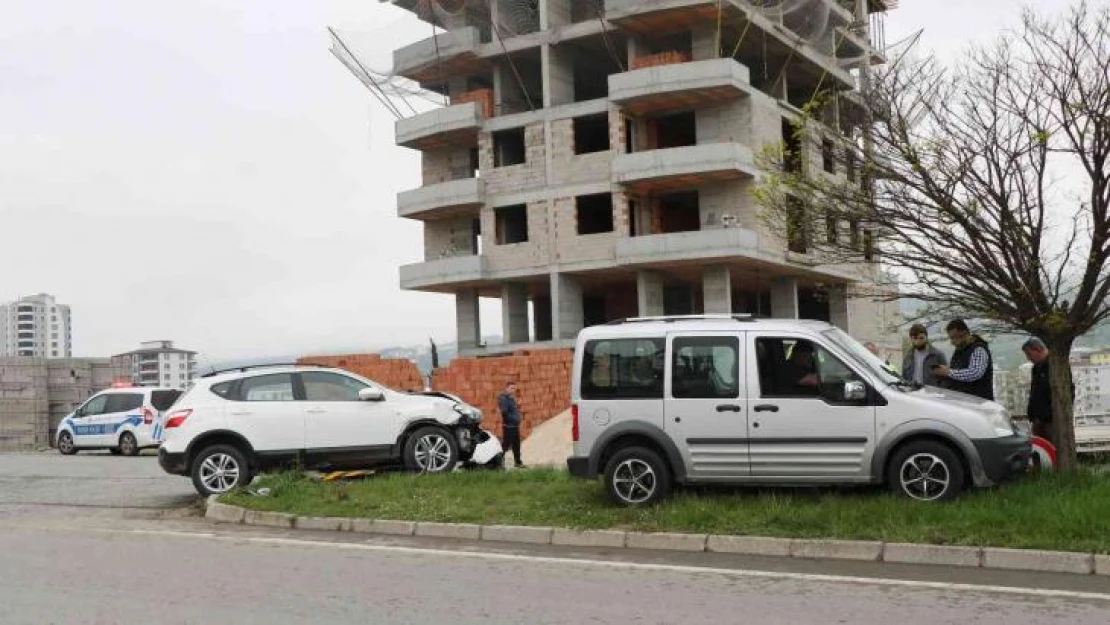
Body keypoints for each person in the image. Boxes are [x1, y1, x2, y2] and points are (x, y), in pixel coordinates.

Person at [934, 319, 995, 400]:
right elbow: (957, 373)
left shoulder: (978, 349)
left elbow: (974, 373)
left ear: (964, 334)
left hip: (979, 403)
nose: (952, 342)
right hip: (963, 402)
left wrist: (948, 372)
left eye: (953, 338)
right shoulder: (959, 351)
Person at [1022, 338, 1055, 445]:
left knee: (1052, 447)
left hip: (1051, 419)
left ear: (1037, 350)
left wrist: (1049, 414)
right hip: (1037, 419)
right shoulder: (1036, 368)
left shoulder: (1054, 365)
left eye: (1029, 354)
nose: (1028, 358)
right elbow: (1034, 391)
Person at [497, 381, 525, 468]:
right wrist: (512, 418)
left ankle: (518, 462)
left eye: (514, 389)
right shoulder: (504, 399)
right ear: (506, 388)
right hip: (509, 427)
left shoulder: (511, 398)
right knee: (505, 445)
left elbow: (512, 411)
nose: (513, 390)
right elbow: (504, 412)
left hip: (515, 426)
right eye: (511, 388)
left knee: (516, 445)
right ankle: (498, 463)